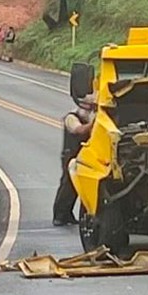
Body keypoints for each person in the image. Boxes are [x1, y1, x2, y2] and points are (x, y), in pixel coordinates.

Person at [52, 94, 96, 226]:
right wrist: (94, 123)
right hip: (71, 155)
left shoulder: (88, 117)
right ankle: (59, 215)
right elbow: (79, 130)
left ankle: (68, 215)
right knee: (68, 186)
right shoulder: (72, 118)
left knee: (78, 187)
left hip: (84, 155)